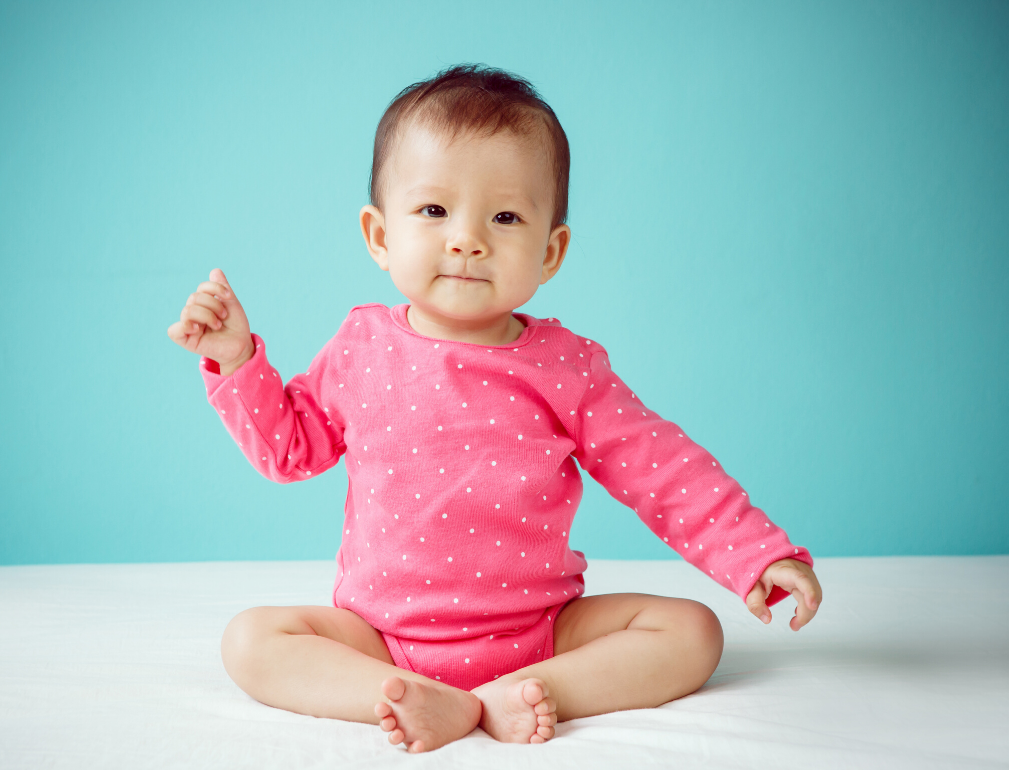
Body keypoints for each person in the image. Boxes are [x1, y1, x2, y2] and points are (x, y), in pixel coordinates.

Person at [167, 63, 823, 753]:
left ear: (551, 250)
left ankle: (536, 693)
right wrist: (239, 362)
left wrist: (756, 556)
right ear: (380, 235)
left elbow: (661, 467)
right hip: (383, 637)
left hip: (543, 632)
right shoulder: (362, 346)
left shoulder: (568, 365)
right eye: (433, 210)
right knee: (252, 640)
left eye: (505, 217)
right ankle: (398, 698)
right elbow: (290, 450)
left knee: (693, 631)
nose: (467, 239)